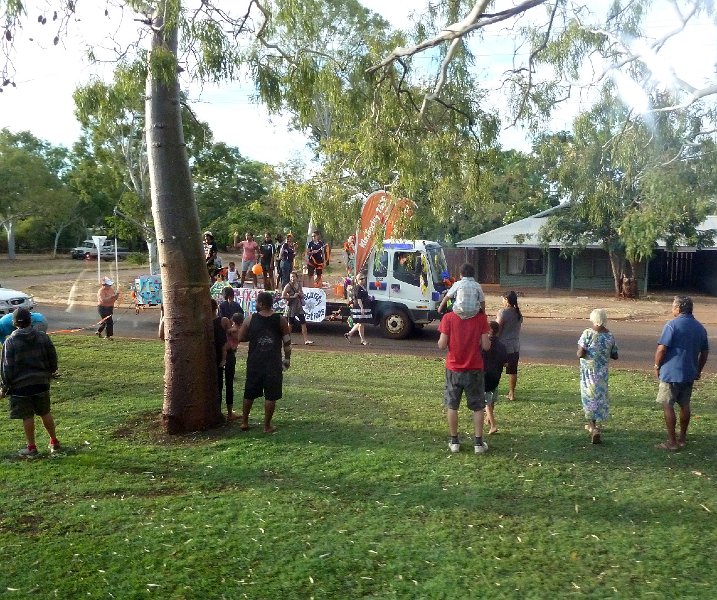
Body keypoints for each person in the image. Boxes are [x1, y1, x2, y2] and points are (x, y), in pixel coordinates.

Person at [0, 308, 60, 457]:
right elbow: (53, 357)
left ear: (14, 323)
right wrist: (50, 372)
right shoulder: (42, 337)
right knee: (45, 412)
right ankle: (54, 441)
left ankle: (31, 447)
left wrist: (4, 387)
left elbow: (6, 367)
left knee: (27, 416)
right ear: (31, 320)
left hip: (20, 387)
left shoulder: (10, 341)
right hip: (41, 382)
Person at [654, 296, 709, 451]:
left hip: (671, 372)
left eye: (673, 306)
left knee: (667, 404)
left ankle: (672, 442)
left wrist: (657, 365)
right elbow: (704, 352)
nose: (672, 310)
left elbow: (662, 349)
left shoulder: (672, 325)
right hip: (689, 372)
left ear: (678, 308)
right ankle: (682, 438)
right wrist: (698, 370)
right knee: (685, 405)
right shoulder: (700, 328)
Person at [438, 300, 491, 454]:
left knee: (452, 405)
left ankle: (454, 441)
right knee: (478, 406)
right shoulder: (480, 318)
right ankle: (478, 443)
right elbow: (486, 346)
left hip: (454, 369)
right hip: (474, 368)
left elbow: (442, 345)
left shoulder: (448, 318)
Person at [237, 291, 292, 433]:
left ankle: (244, 422)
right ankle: (267, 426)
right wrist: (287, 358)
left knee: (249, 392)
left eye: (256, 302)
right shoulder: (280, 320)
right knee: (271, 395)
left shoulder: (250, 319)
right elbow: (287, 341)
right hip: (273, 363)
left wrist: (254, 336)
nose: (255, 304)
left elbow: (241, 337)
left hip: (255, 361)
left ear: (261, 304)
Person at [577, 309, 619, 444]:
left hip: (589, 372)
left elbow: (580, 353)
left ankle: (594, 428)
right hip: (602, 373)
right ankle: (593, 424)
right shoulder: (610, 336)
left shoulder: (588, 333)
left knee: (589, 398)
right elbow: (615, 355)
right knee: (599, 397)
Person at [483, 320, 508, 435]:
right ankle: (488, 418)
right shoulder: (502, 346)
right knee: (492, 398)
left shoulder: (485, 344)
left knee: (486, 402)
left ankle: (493, 425)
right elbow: (505, 363)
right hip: (496, 375)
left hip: (485, 376)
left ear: (490, 331)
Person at [497, 290, 523, 401]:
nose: (502, 301)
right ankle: (512, 393)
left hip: (503, 346)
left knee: (496, 369)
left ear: (506, 300)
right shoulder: (518, 313)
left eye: (503, 299)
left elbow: (497, 329)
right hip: (515, 346)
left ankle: (493, 391)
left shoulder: (503, 312)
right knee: (512, 371)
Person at [282, 271, 314, 345]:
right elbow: (282, 296)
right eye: (291, 277)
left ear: (297, 277)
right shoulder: (288, 286)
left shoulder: (299, 285)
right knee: (290, 324)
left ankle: (306, 340)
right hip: (291, 307)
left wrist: (300, 295)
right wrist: (292, 296)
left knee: (303, 322)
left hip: (298, 306)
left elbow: (302, 293)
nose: (292, 278)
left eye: (293, 277)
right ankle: (287, 341)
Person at [344, 273, 371, 346]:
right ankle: (362, 340)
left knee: (360, 323)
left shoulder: (363, 287)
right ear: (357, 280)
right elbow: (358, 299)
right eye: (361, 279)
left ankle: (349, 334)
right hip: (359, 307)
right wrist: (361, 308)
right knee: (361, 323)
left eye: (363, 278)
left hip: (363, 306)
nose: (363, 280)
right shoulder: (358, 287)